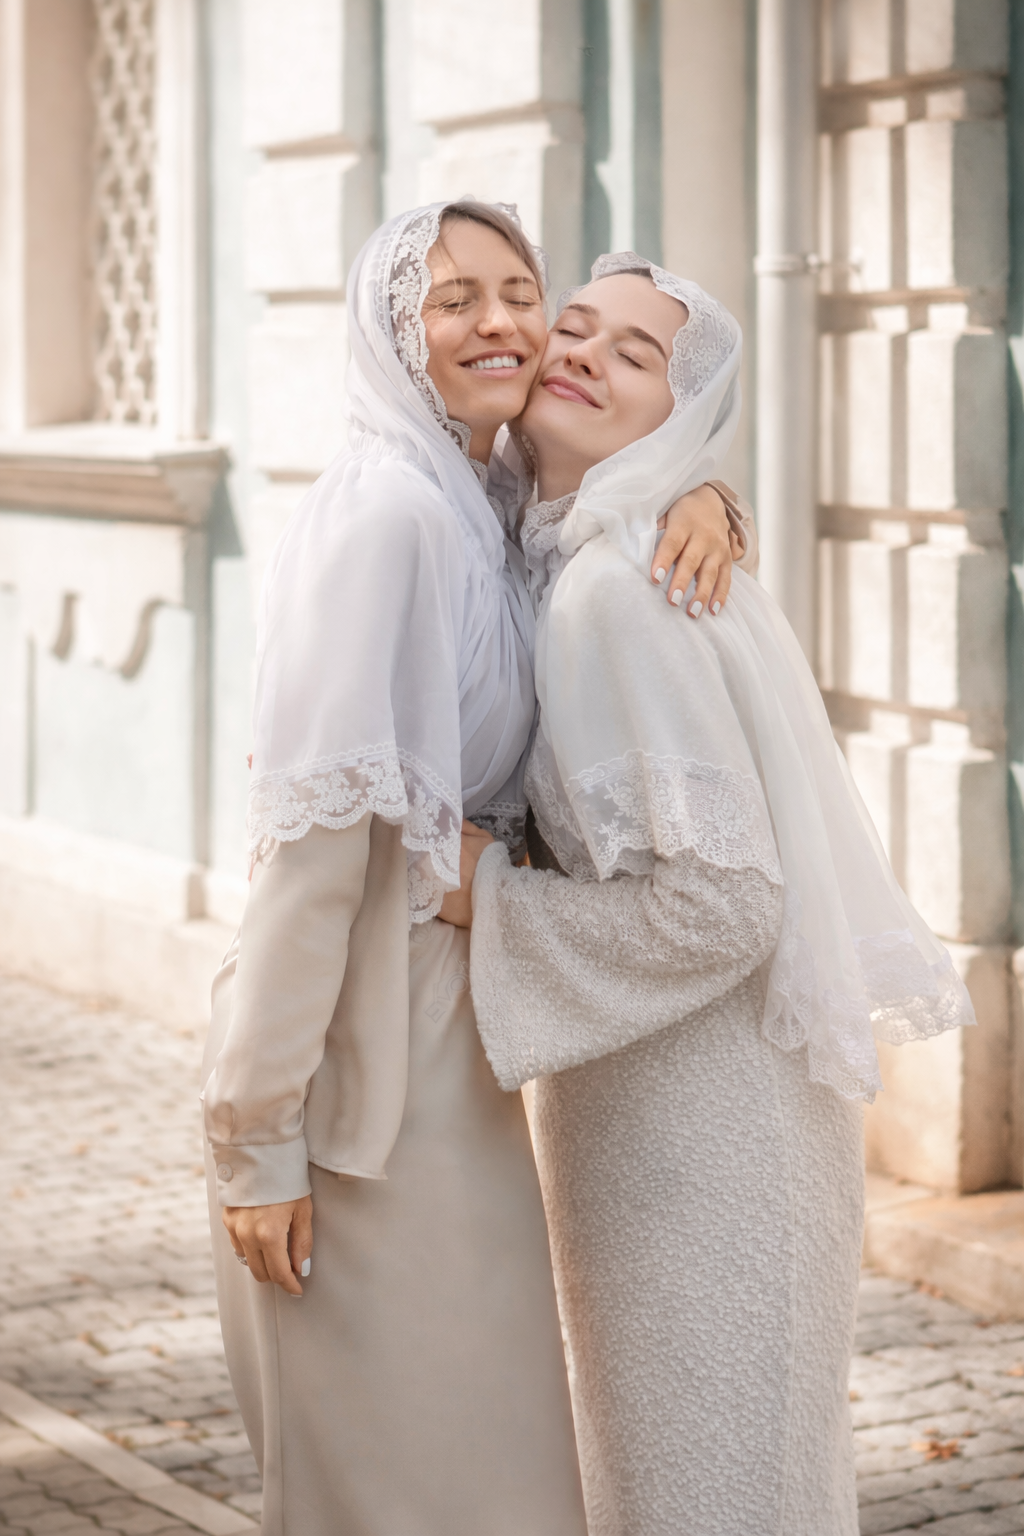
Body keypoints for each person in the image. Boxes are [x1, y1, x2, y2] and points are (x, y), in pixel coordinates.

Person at [198, 204, 743, 1536]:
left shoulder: (483, 497)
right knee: (395, 1488)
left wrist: (705, 489)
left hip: (464, 1043)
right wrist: (256, 1138)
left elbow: (593, 506)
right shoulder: (387, 515)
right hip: (357, 1079)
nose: (499, 322)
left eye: (520, 291)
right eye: (452, 300)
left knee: (493, 1477)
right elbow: (308, 859)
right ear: (393, 331)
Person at [460, 254, 976, 1536]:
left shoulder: (616, 594)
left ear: (677, 417)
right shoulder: (603, 551)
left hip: (698, 1140)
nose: (579, 352)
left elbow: (721, 908)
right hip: (684, 1119)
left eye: (635, 356)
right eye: (571, 327)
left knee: (708, 1489)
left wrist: (485, 897)